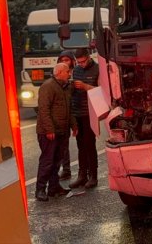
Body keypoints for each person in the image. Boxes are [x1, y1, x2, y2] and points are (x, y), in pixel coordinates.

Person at [35, 62, 77, 201]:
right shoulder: (48, 87)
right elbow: (43, 110)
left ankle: (54, 187)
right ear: (59, 73)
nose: (69, 74)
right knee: (47, 161)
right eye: (67, 72)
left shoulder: (65, 87)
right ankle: (40, 189)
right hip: (49, 133)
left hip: (61, 131)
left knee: (57, 160)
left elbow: (68, 109)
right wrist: (49, 129)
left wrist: (73, 125)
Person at [69, 48, 100, 189]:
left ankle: (93, 175)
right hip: (77, 112)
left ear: (88, 57)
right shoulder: (76, 70)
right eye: (78, 62)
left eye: (83, 61)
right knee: (80, 145)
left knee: (90, 144)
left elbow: (102, 91)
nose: (81, 64)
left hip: (90, 112)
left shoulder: (98, 69)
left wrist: (86, 86)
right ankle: (82, 175)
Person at [57, 50, 75, 181]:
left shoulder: (78, 73)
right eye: (62, 60)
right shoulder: (56, 81)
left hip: (77, 112)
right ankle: (66, 169)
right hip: (64, 116)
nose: (65, 63)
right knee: (62, 146)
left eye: (67, 60)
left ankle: (84, 172)